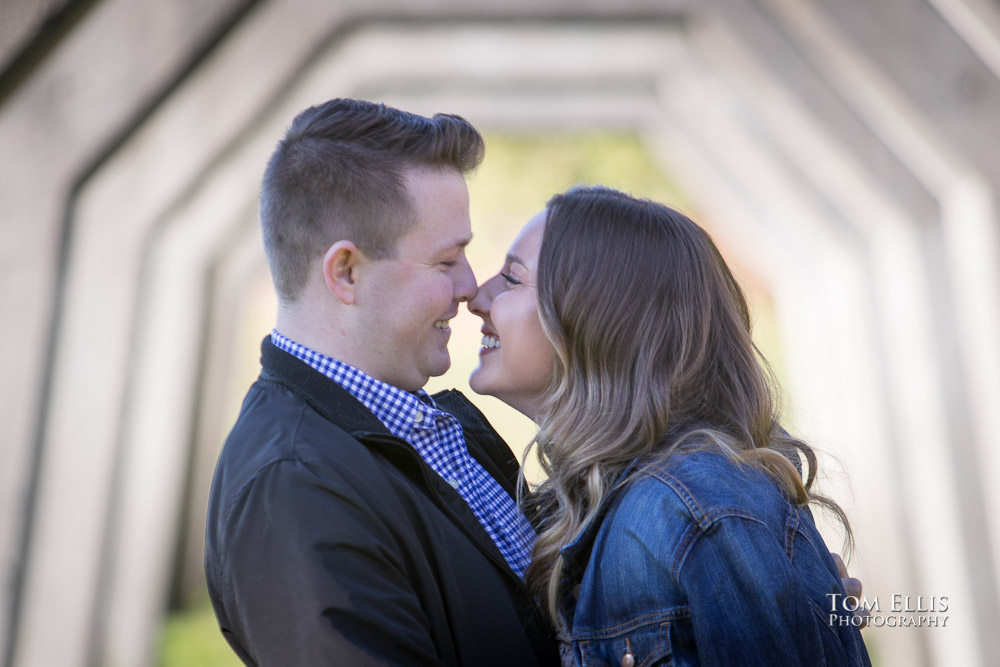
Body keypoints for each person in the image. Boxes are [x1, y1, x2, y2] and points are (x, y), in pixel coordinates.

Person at [204, 98, 558, 665]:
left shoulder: (428, 425)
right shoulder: (296, 491)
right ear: (346, 272)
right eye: (446, 262)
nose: (471, 287)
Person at [468, 185, 872, 665]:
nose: (477, 297)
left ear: (599, 319)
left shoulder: (692, 511)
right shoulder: (611, 507)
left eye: (511, 280)